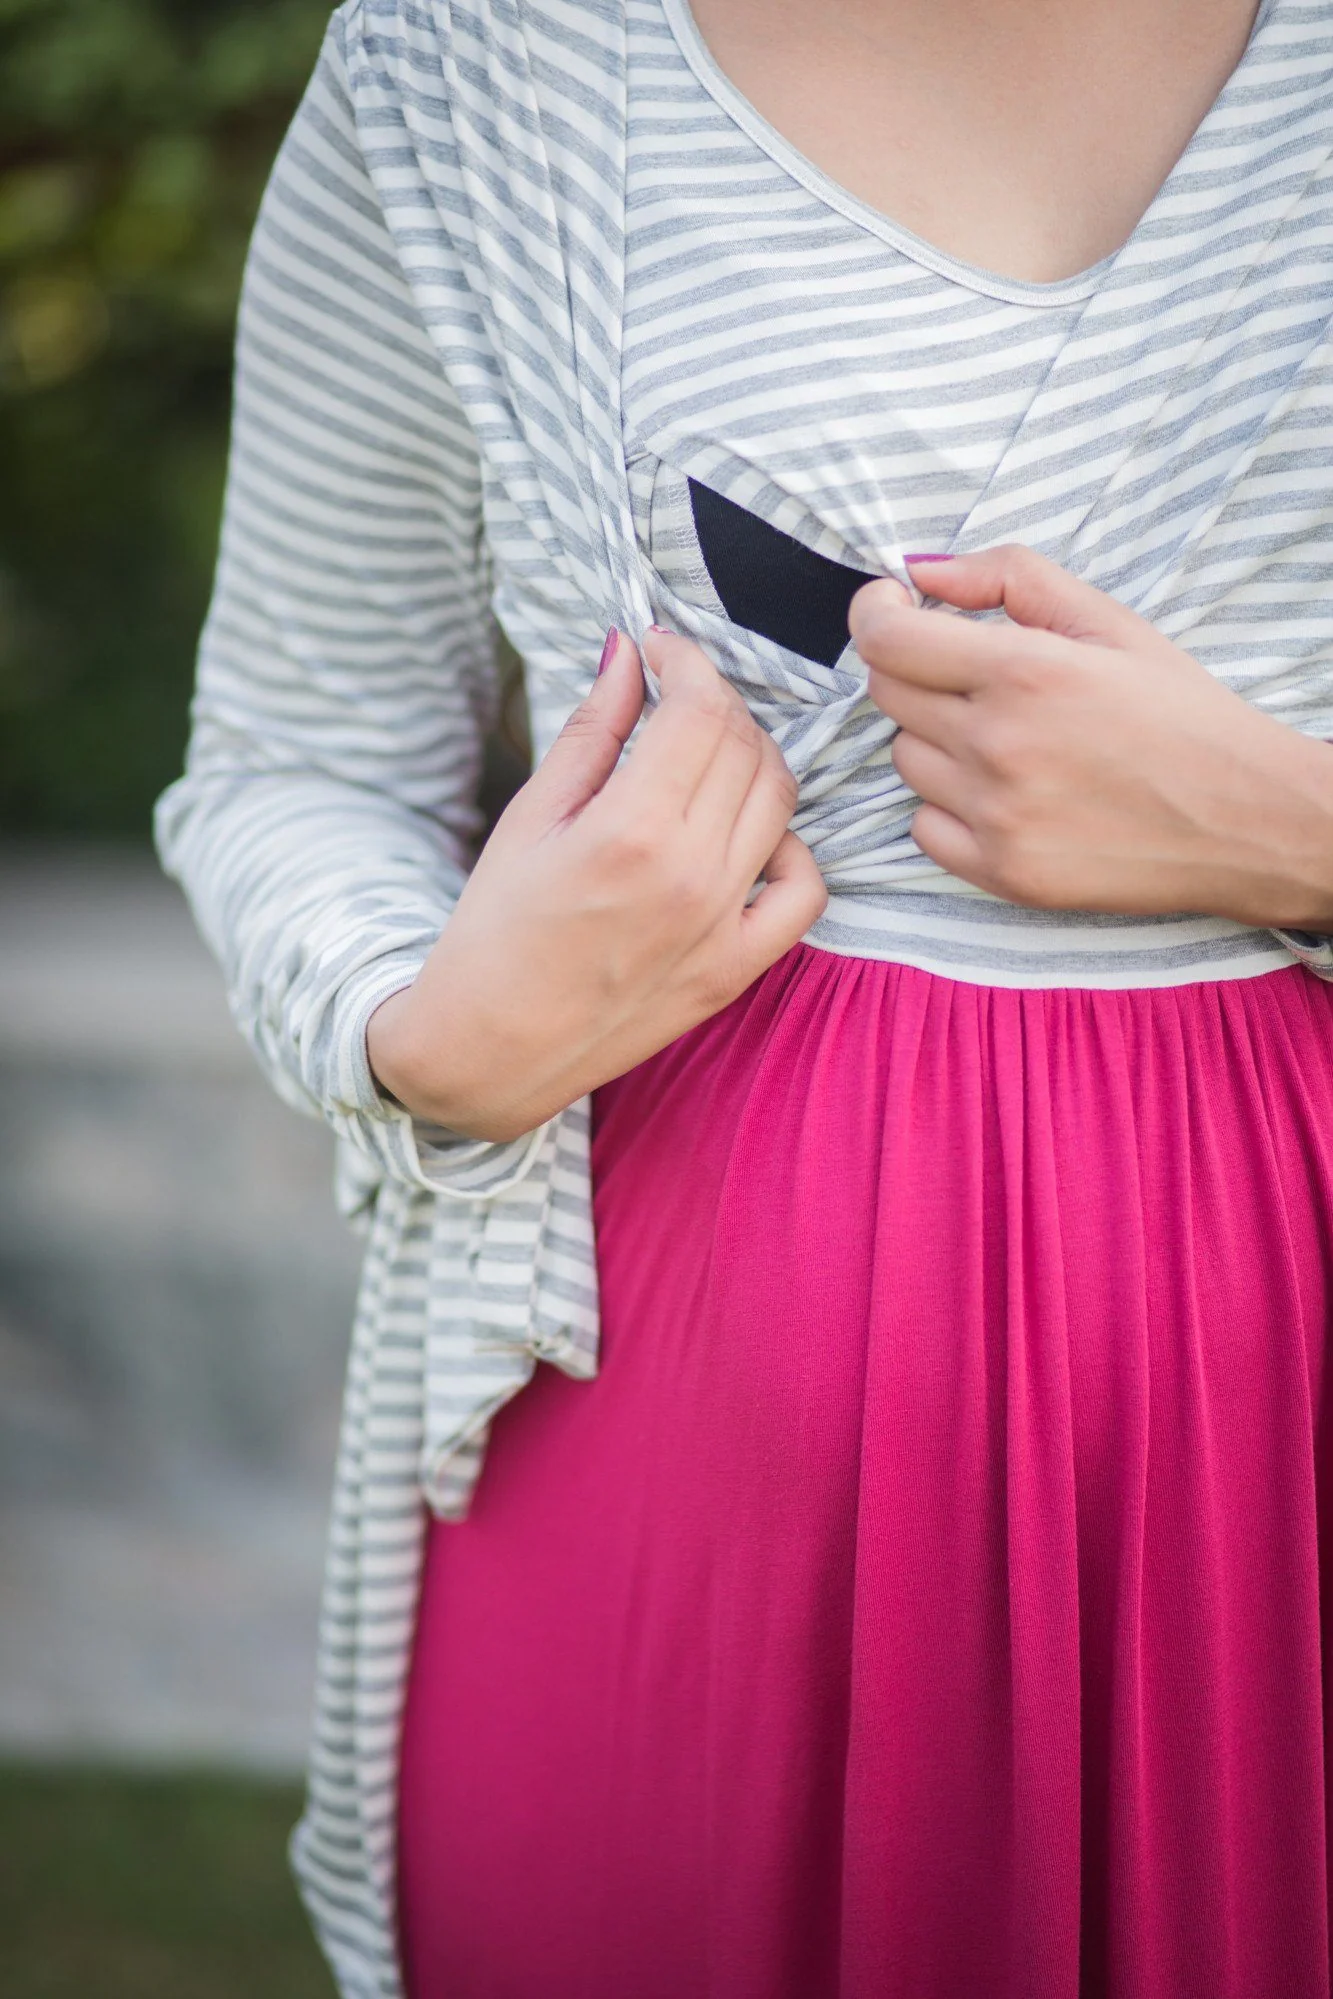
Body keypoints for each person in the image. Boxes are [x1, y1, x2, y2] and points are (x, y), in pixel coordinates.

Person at [158, 0, 1333, 1991]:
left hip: (1272, 1483)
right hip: (659, 1447)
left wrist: (1289, 824)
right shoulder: (483, 68)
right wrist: (424, 1031)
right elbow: (296, 755)